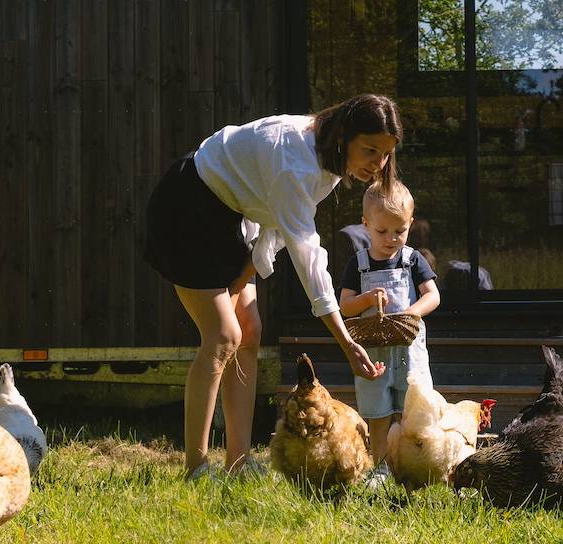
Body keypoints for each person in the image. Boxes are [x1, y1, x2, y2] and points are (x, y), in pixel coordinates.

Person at [143, 93, 401, 481]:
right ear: (345, 135)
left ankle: (238, 462)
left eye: (385, 154)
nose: (378, 164)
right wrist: (347, 343)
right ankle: (196, 467)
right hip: (187, 210)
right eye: (370, 150)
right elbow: (307, 256)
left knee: (249, 331)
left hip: (232, 215)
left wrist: (244, 276)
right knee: (223, 336)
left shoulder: (328, 163)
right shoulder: (295, 161)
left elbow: (278, 226)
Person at [338, 179, 440, 476]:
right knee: (379, 411)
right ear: (365, 224)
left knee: (411, 409)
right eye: (382, 231)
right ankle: (381, 468)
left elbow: (433, 295)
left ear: (410, 223)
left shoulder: (413, 260)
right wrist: (367, 299)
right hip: (375, 352)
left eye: (400, 231)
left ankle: (409, 465)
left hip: (409, 350)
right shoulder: (357, 264)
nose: (391, 238)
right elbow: (345, 306)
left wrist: (412, 312)